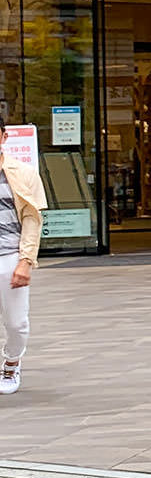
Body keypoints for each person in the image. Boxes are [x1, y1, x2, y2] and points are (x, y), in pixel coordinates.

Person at [0, 148, 46, 395]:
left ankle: (12, 362)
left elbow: (32, 219)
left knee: (16, 323)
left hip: (9, 255)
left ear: (3, 137)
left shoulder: (23, 173)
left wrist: (26, 261)